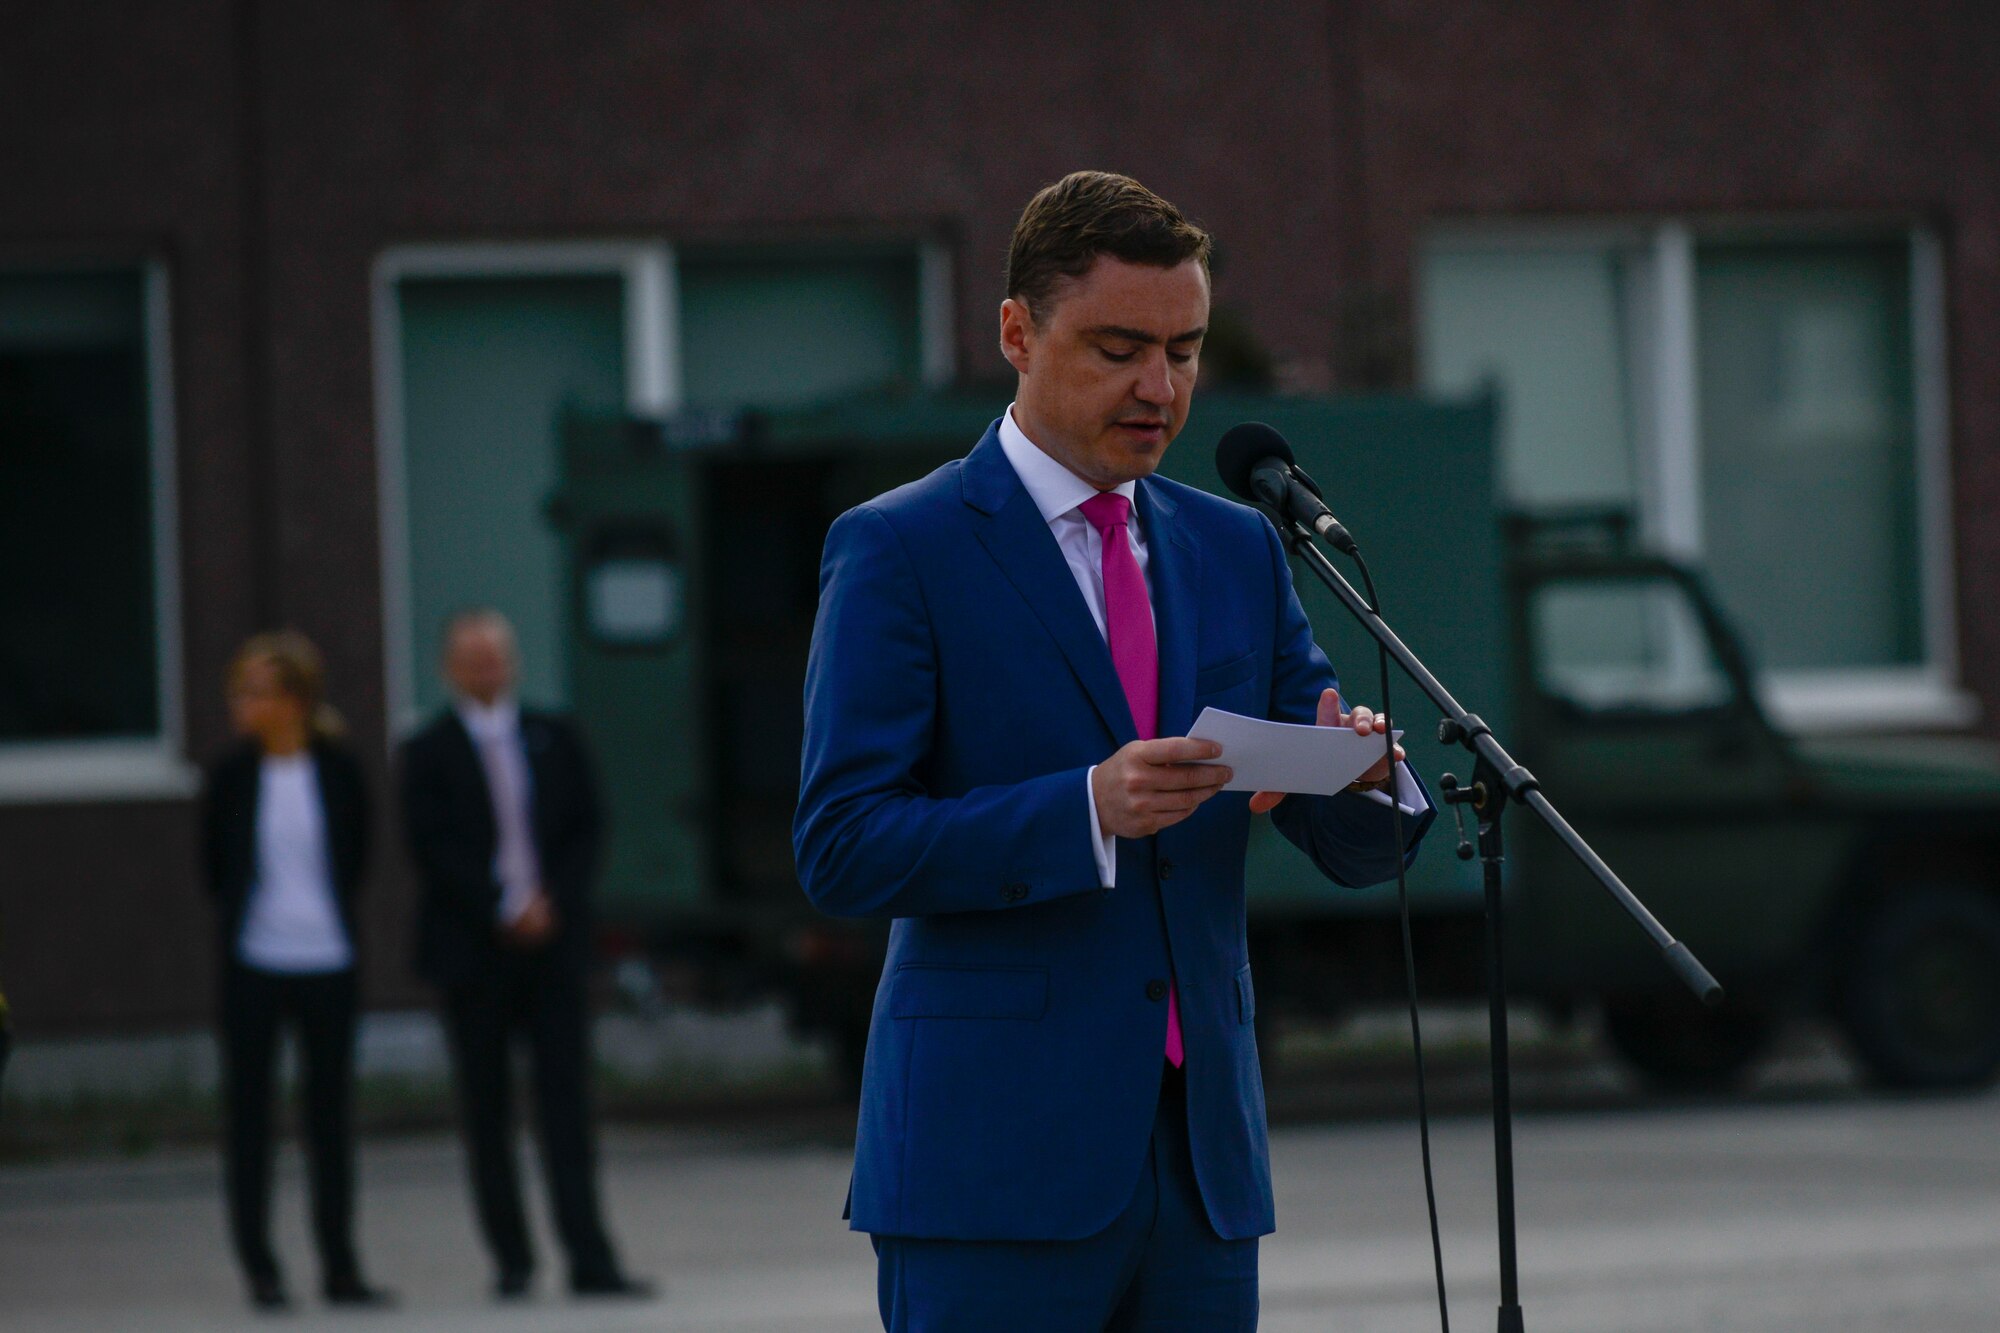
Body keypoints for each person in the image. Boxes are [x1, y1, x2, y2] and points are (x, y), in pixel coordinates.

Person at [793, 171, 1436, 1331]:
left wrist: (1361, 767)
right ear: (1014, 333)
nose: (1160, 388)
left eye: (1184, 352)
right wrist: (1085, 805)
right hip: (990, 1166)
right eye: (1119, 348)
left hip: (1201, 1168)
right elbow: (841, 846)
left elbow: (1350, 842)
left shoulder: (1237, 548)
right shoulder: (900, 548)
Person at [396, 609, 649, 1301]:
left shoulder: (554, 735)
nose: (486, 670)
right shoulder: (428, 750)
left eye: (496, 657)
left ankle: (591, 1257)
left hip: (553, 949)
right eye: (472, 659)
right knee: (486, 1110)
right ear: (451, 668)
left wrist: (548, 903)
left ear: (512, 663)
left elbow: (585, 826)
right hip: (474, 953)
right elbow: (432, 846)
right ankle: (512, 1259)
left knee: (567, 1106)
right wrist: (500, 906)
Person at [200, 631, 391, 1311]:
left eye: (255, 691)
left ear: (295, 700)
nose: (242, 705)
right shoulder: (230, 775)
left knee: (330, 1117)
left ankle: (340, 1264)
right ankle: (260, 1267)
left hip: (327, 960)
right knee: (250, 1119)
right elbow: (215, 870)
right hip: (254, 963)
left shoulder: (338, 769)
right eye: (238, 691)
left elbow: (358, 856)